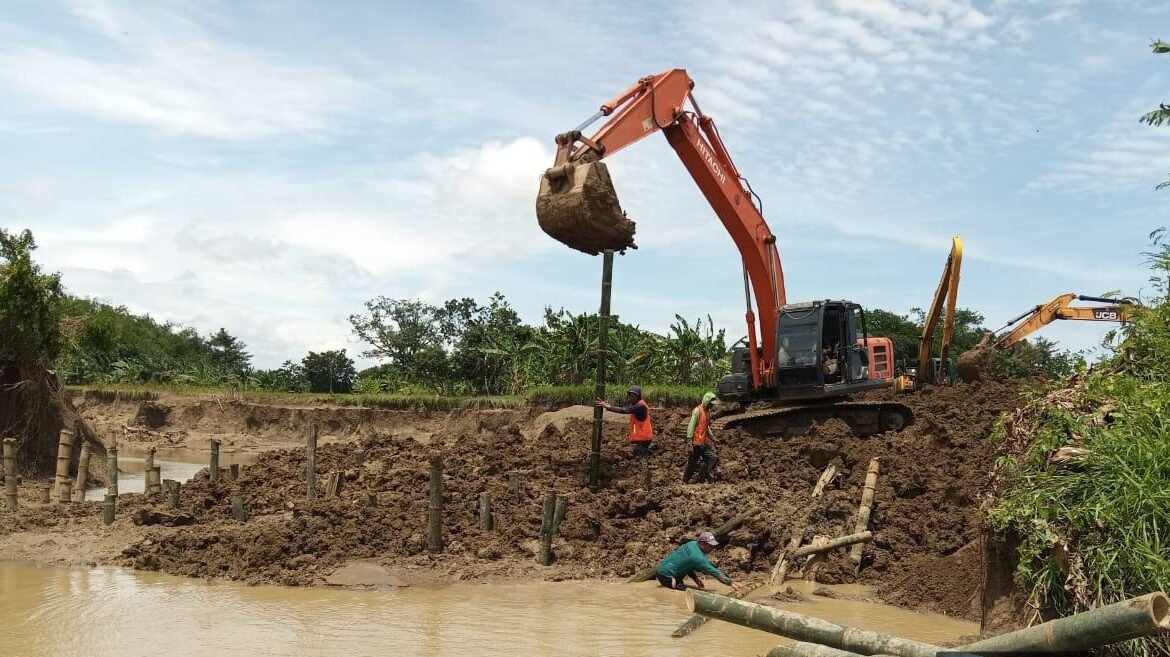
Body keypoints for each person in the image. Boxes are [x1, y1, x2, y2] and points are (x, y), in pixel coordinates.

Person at [655, 531, 740, 592]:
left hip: (663, 569)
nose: (712, 549)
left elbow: (687, 564)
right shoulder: (698, 558)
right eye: (710, 546)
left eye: (713, 546)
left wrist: (695, 579)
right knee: (682, 594)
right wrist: (731, 583)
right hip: (667, 576)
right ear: (702, 544)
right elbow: (713, 571)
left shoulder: (692, 543)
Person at [597, 385, 653, 456]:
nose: (631, 398)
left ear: (638, 396)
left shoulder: (640, 406)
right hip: (642, 438)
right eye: (630, 395)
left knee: (640, 459)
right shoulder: (637, 404)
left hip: (643, 438)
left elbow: (624, 410)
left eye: (633, 396)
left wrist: (609, 406)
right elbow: (626, 408)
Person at [683, 391, 719, 483]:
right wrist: (689, 441)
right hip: (696, 443)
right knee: (692, 464)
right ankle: (685, 481)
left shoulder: (708, 412)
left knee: (713, 457)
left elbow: (706, 427)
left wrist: (713, 438)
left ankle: (709, 473)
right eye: (711, 404)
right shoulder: (697, 411)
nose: (712, 406)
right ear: (707, 401)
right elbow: (691, 426)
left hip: (704, 442)